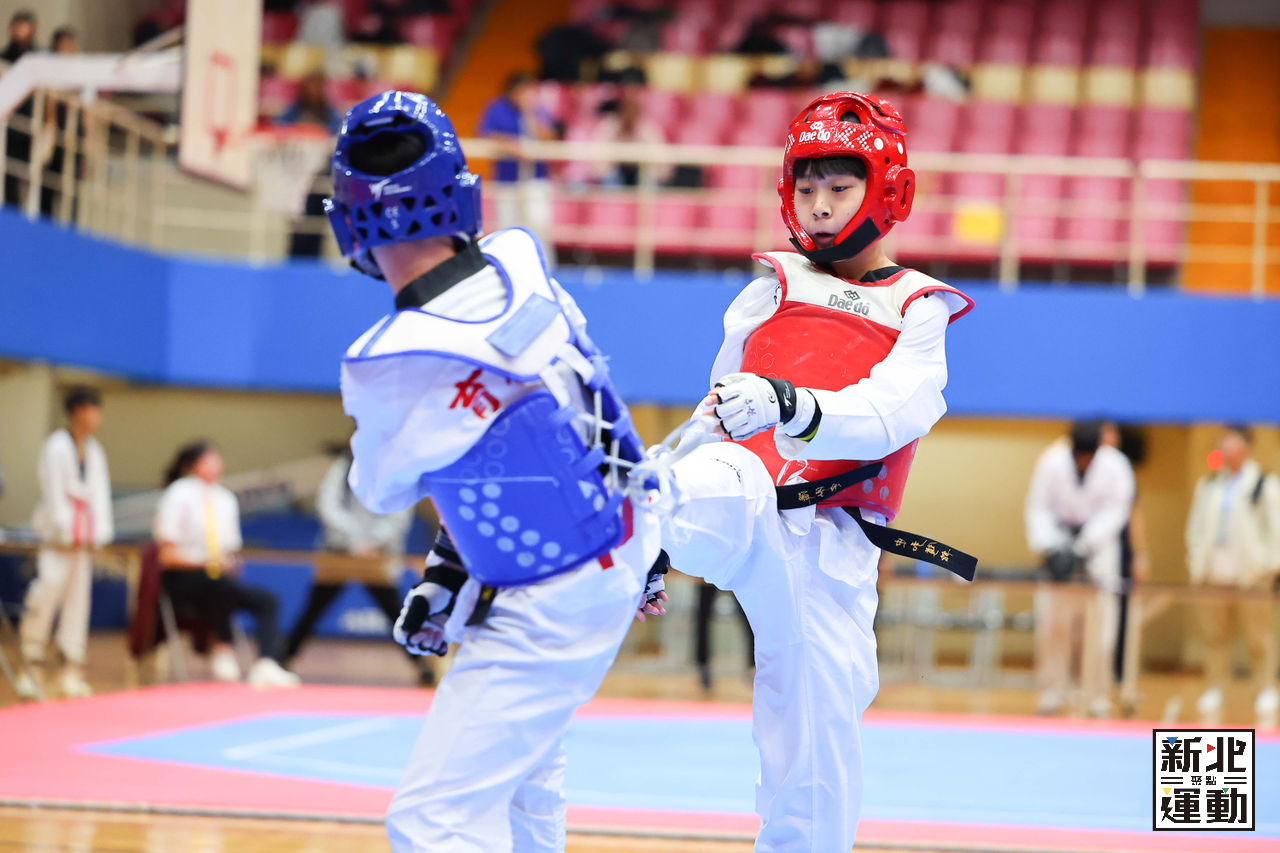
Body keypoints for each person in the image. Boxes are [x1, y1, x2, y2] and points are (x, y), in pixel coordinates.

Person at [323, 90, 666, 852]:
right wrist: (451, 567)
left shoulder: (388, 364)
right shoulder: (524, 264)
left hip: (551, 596)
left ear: (348, 220)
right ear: (459, 189)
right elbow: (582, 402)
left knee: (431, 819)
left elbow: (377, 489)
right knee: (527, 782)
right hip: (626, 531)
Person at [634, 91, 975, 852]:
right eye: (807, 186)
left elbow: (895, 410)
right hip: (745, 494)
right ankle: (631, 521)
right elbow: (716, 413)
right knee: (697, 477)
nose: (819, 206)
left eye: (840, 188)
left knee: (815, 745)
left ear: (888, 192)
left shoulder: (917, 306)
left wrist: (791, 403)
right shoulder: (769, 288)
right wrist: (656, 526)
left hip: (830, 541)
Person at [153, 441, 301, 688]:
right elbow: (167, 555)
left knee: (267, 600)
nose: (218, 464)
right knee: (217, 585)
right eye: (211, 459)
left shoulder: (225, 499)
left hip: (219, 578)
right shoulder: (178, 494)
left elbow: (231, 550)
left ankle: (266, 662)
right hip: (183, 577)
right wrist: (205, 562)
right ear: (195, 464)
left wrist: (229, 562)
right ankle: (223, 650)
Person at [284, 444, 435, 686]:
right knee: (314, 607)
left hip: (378, 555)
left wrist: (373, 541)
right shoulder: (343, 466)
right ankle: (283, 658)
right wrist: (354, 541)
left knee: (394, 611)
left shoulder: (395, 466)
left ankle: (420, 664)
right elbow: (328, 504)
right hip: (340, 552)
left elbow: (401, 510)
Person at [1025, 419, 1135, 717]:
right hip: (1058, 546)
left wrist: (1084, 546)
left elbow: (1117, 509)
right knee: (1053, 626)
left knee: (1101, 629)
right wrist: (1050, 546)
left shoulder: (1116, 465)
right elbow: (1038, 506)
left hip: (1099, 550)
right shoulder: (1051, 460)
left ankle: (1097, 695)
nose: (1083, 460)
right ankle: (1051, 693)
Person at [16, 386, 113, 700]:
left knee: (78, 601)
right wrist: (64, 530)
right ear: (78, 411)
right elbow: (54, 492)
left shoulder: (95, 451)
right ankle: (30, 668)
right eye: (93, 409)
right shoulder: (56, 446)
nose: (97, 416)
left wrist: (99, 534)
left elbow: (100, 496)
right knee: (45, 593)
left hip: (84, 541)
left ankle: (69, 671)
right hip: (56, 540)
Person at [1185, 424, 1280, 724]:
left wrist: (1271, 565)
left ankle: (1266, 687)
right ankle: (1214, 686)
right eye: (1222, 444)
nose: (1226, 450)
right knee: (1215, 636)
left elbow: (1275, 529)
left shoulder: (1263, 483)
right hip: (1215, 572)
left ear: (1246, 448)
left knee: (1259, 636)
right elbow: (1196, 526)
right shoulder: (1210, 484)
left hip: (1252, 574)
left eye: (1232, 444)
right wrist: (1196, 562)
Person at [478, 72, 557, 242]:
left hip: (536, 178)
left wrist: (529, 113)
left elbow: (549, 136)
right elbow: (488, 133)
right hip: (507, 177)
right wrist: (514, 146)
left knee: (538, 224)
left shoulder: (538, 110)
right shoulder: (497, 108)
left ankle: (542, 257)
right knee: (506, 225)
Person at [2, 10, 37, 209]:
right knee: (9, 175)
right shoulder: (4, 57)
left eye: (23, 27)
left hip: (32, 122)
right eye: (16, 26)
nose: (18, 31)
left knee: (33, 176)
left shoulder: (38, 58)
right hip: (10, 123)